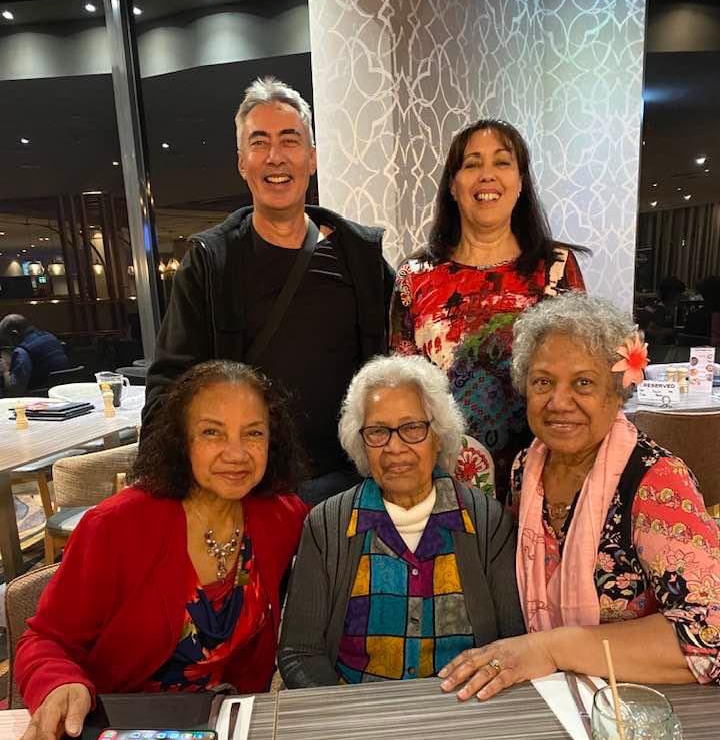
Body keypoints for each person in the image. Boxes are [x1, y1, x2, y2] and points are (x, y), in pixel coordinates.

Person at [10, 360, 307, 740]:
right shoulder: (116, 527)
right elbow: (46, 639)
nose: (237, 453)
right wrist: (58, 685)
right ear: (181, 440)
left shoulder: (282, 516)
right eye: (212, 432)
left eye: (253, 433)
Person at [438, 294, 720, 702]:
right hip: (556, 700)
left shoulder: (657, 483)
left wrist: (553, 648)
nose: (558, 402)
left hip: (648, 707)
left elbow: (709, 634)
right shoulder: (525, 469)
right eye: (543, 382)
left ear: (616, 392)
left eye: (583, 383)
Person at [143, 76, 395, 505]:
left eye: (289, 140)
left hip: (349, 485)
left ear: (311, 158)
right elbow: (170, 386)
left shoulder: (361, 259)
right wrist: (163, 491)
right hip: (248, 490)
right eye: (259, 143)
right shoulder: (210, 263)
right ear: (242, 162)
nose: (275, 157)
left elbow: (397, 364)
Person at [278, 355, 524, 687]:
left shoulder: (487, 523)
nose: (394, 447)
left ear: (437, 435)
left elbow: (511, 644)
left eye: (411, 428)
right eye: (378, 431)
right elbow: (300, 654)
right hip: (356, 714)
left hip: (463, 711)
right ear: (362, 442)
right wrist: (347, 721)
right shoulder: (326, 526)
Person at [390, 119, 587, 497]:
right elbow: (406, 395)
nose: (487, 176)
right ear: (452, 184)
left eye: (501, 162)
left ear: (521, 182)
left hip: (545, 478)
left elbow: (577, 378)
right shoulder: (415, 277)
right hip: (447, 484)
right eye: (471, 163)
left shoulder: (557, 267)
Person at [0, 314, 70, 393]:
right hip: (63, 389)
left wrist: (5, 370)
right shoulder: (50, 337)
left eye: (8, 339)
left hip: (40, 395)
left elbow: (16, 389)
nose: (10, 343)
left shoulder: (23, 351)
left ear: (15, 334)